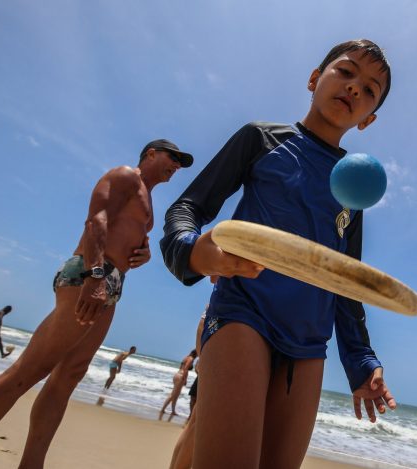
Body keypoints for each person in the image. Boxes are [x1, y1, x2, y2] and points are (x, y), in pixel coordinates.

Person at [160, 39, 397, 469]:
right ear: (314, 78)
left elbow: (346, 282)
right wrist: (194, 251)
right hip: (242, 313)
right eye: (346, 72)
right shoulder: (262, 138)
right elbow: (187, 208)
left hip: (308, 346)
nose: (354, 88)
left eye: (370, 89)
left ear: (369, 119)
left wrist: (362, 361)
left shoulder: (352, 189)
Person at [0, 139, 193, 469]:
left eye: (181, 163)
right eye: (173, 158)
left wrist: (141, 255)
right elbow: (96, 220)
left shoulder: (148, 198)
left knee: (68, 377)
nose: (177, 166)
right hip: (90, 274)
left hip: (112, 282)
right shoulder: (125, 176)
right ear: (151, 154)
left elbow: (126, 235)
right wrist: (94, 276)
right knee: (28, 372)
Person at [168, 311, 206, 469]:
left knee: (195, 417)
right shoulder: (191, 359)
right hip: (183, 376)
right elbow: (203, 323)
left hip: (180, 375)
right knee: (197, 419)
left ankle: (170, 410)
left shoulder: (188, 358)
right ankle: (171, 410)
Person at [159, 349, 197, 421]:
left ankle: (173, 411)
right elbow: (186, 368)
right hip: (181, 376)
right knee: (173, 394)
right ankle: (162, 409)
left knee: (176, 395)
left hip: (177, 374)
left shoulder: (186, 357)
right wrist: (185, 378)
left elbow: (180, 367)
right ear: (196, 354)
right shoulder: (191, 359)